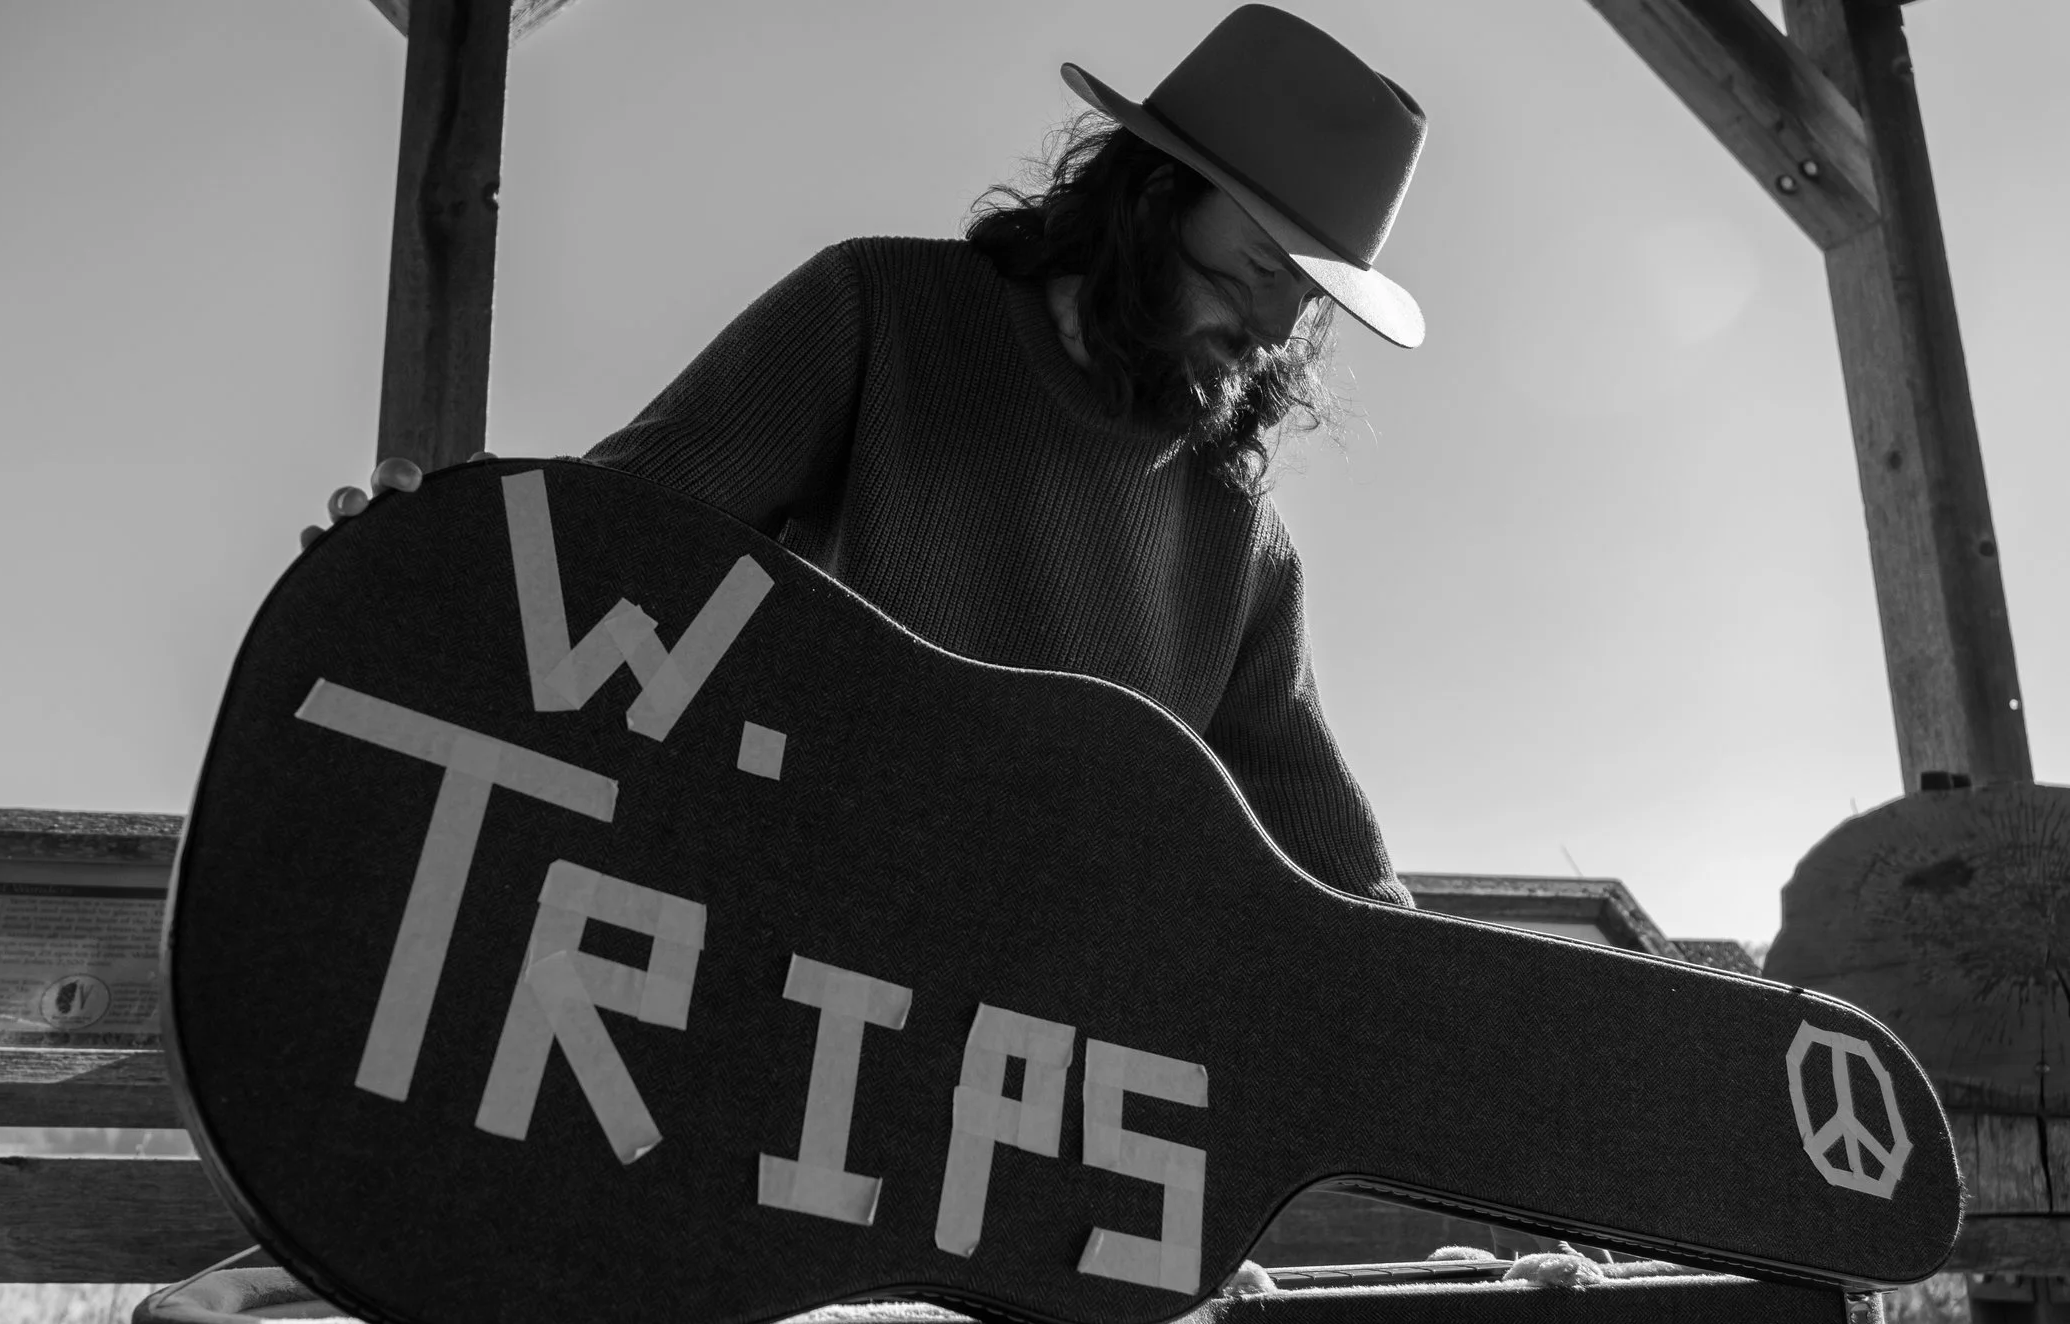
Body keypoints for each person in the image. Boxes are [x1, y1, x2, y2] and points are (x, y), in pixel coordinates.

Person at [310, 5, 1425, 908]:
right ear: (1156, 186)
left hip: (1037, 1065)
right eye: (1266, 262)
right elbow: (614, 536)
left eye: (1312, 294)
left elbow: (1340, 881)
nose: (1280, 325)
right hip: (787, 956)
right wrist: (409, 576)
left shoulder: (1241, 546)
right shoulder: (884, 314)